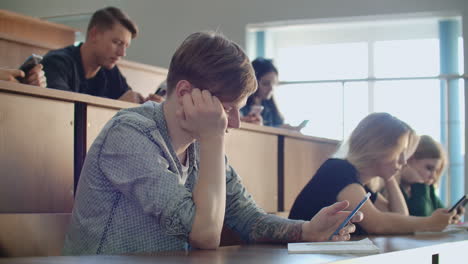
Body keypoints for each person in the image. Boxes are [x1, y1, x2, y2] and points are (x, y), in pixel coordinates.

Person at [63, 31, 363, 255]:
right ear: (185, 92)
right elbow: (204, 236)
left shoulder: (201, 144)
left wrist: (307, 230)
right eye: (228, 107)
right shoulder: (129, 134)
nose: (233, 122)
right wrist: (213, 137)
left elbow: (247, 218)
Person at [289, 112, 456, 235]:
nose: (404, 161)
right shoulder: (338, 170)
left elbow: (399, 217)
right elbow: (377, 223)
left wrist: (389, 177)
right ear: (379, 149)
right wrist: (429, 223)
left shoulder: (363, 182)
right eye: (400, 153)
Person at [41, 7, 157, 103]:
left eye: (126, 46)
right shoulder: (57, 62)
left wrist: (146, 107)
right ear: (94, 34)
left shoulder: (111, 70)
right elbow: (63, 108)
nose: (122, 53)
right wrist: (116, 105)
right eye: (117, 43)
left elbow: (127, 99)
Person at [397, 135, 464, 221]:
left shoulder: (428, 190)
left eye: (436, 171)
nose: (433, 176)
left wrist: (450, 219)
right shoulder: (396, 190)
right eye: (429, 168)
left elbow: (437, 220)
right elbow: (421, 217)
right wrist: (419, 184)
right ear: (408, 161)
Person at [240, 58, 306, 131]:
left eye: (274, 84)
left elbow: (272, 126)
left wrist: (286, 129)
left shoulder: (270, 107)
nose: (271, 89)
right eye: (265, 84)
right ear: (252, 82)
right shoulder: (240, 106)